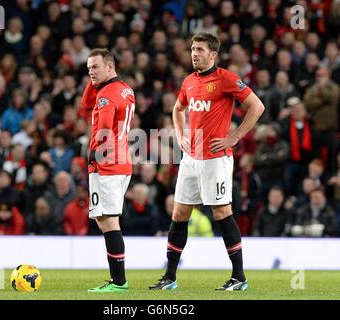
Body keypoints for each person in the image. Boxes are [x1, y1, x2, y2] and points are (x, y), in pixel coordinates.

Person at [149, 33, 264, 291]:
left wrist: (234, 137)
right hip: (191, 158)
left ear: (213, 54)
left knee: (222, 212)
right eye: (192, 49)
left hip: (216, 160)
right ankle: (169, 277)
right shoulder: (189, 82)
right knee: (179, 214)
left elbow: (257, 106)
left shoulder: (225, 79)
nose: (194, 53)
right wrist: (180, 135)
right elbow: (177, 109)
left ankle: (239, 277)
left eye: (200, 49)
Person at [84, 49, 135, 293]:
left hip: (107, 164)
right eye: (88, 68)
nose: (91, 72)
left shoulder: (105, 96)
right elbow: (86, 103)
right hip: (122, 161)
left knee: (108, 220)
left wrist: (97, 154)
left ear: (110, 67)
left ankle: (119, 282)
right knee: (105, 219)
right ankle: (118, 280)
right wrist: (95, 81)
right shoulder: (125, 89)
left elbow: (103, 126)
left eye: (95, 67)